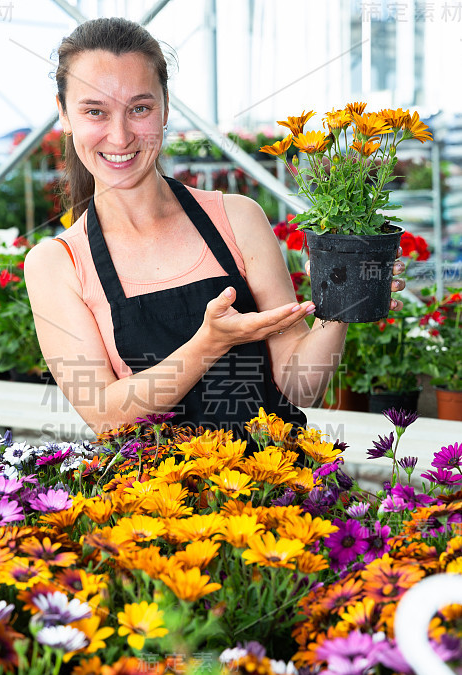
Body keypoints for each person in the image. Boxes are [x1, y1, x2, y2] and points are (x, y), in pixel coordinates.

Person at [24, 17, 405, 442]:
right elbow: (105, 416)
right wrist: (208, 344)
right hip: (150, 499)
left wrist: (342, 299)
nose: (120, 135)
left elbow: (302, 387)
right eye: (95, 111)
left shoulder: (237, 217)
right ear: (64, 114)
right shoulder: (57, 264)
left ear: (166, 107)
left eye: (140, 108)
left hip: (275, 488)